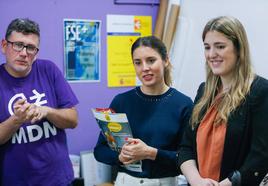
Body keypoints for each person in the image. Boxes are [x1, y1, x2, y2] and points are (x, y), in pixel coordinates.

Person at [178, 16, 268, 186]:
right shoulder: (204, 91)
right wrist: (197, 181)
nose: (212, 54)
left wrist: (224, 184)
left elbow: (261, 155)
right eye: (207, 47)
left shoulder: (260, 91)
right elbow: (185, 148)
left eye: (220, 46)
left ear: (239, 49)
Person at [94, 35, 193, 186]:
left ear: (166, 60)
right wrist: (120, 157)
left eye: (151, 60)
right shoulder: (121, 101)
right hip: (125, 181)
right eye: (138, 63)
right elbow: (100, 151)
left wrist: (150, 153)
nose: (145, 68)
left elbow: (188, 158)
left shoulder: (183, 104)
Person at [0, 18, 78, 185]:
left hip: (57, 179)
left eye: (31, 48)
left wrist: (47, 111)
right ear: (4, 46)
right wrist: (17, 120)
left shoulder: (48, 69)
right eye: (18, 45)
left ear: (36, 52)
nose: (24, 53)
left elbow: (73, 120)